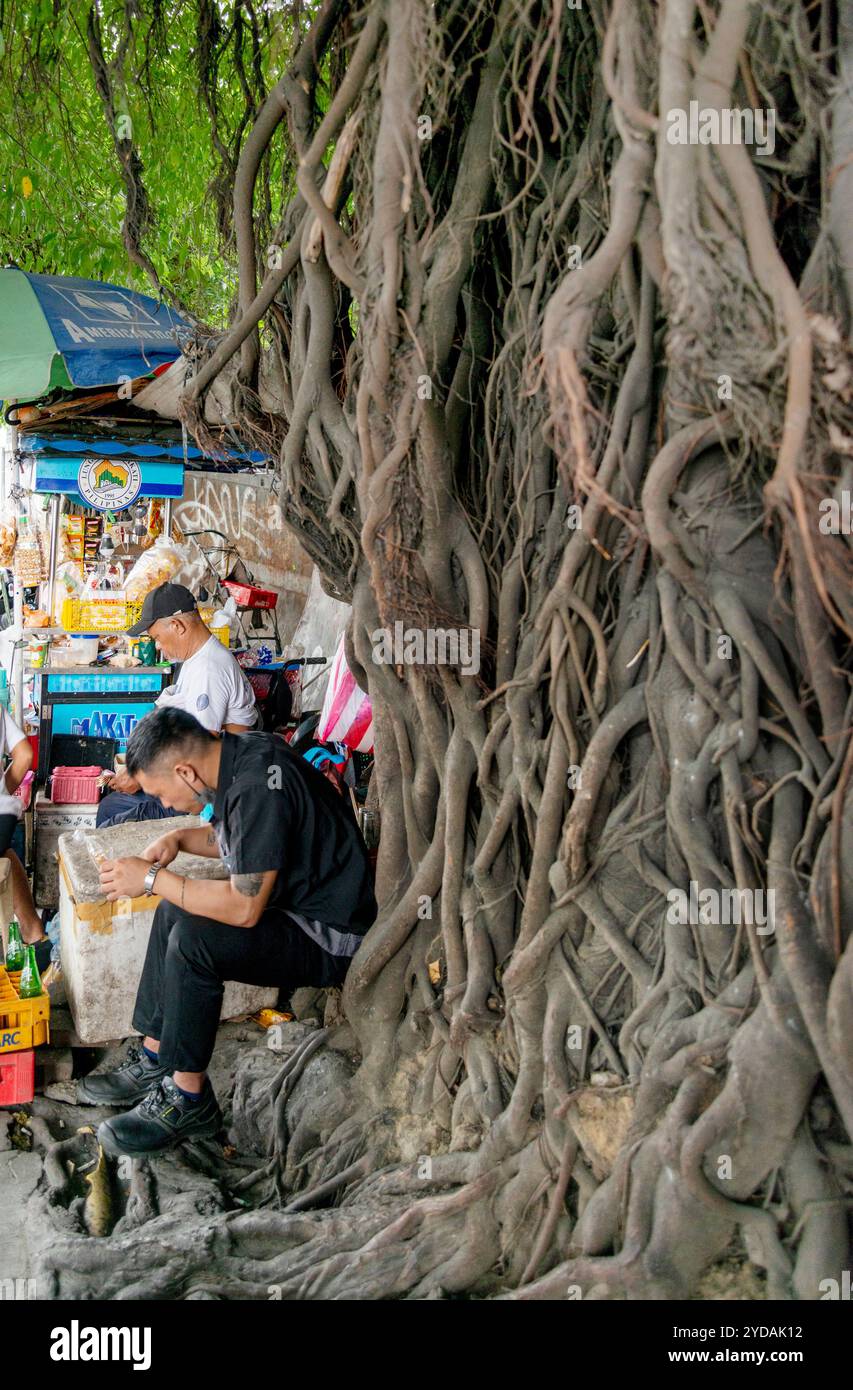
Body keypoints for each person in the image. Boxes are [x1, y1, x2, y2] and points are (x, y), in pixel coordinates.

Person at [77, 707, 377, 1157]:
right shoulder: (243, 753)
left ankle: (188, 1098)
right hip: (294, 908)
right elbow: (241, 840)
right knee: (173, 914)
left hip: (328, 934)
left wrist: (148, 879)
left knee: (195, 941)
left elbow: (244, 909)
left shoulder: (257, 787)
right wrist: (178, 838)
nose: (163, 803)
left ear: (185, 771)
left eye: (161, 793)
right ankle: (156, 1056)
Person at [97, 582, 258, 827]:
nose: (158, 646)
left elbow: (197, 753)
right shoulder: (196, 658)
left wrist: (141, 777)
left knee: (112, 821)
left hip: (208, 792)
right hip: (196, 777)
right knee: (111, 803)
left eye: (157, 638)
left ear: (177, 625)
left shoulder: (209, 668)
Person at [0, 705, 51, 968]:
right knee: (4, 851)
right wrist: (2, 793)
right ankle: (35, 935)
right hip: (2, 818)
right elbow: (24, 755)